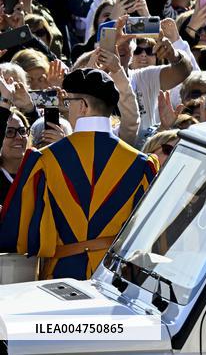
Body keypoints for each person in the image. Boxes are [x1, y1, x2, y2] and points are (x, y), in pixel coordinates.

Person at [0, 68, 158, 280]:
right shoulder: (142, 164)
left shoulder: (44, 160)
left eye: (69, 102)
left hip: (60, 276)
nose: (67, 108)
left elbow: (17, 235)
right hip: (114, 276)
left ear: (82, 106)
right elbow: (148, 235)